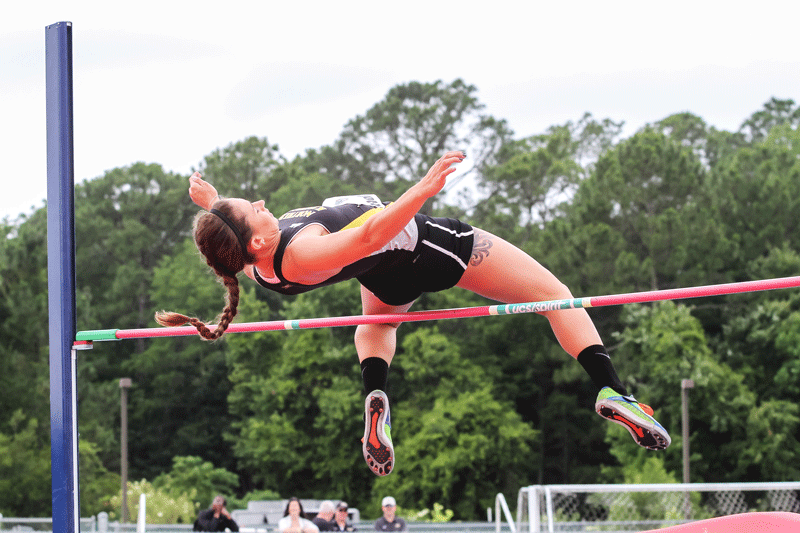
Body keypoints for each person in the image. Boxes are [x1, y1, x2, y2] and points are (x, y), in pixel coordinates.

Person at [156, 150, 671, 477]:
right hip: (422, 246)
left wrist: (216, 200)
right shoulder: (303, 255)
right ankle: (611, 389)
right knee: (557, 296)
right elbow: (373, 233)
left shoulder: (258, 265)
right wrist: (422, 190)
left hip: (382, 275)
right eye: (257, 208)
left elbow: (237, 240)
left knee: (376, 324)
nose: (264, 202)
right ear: (261, 238)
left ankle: (375, 394)